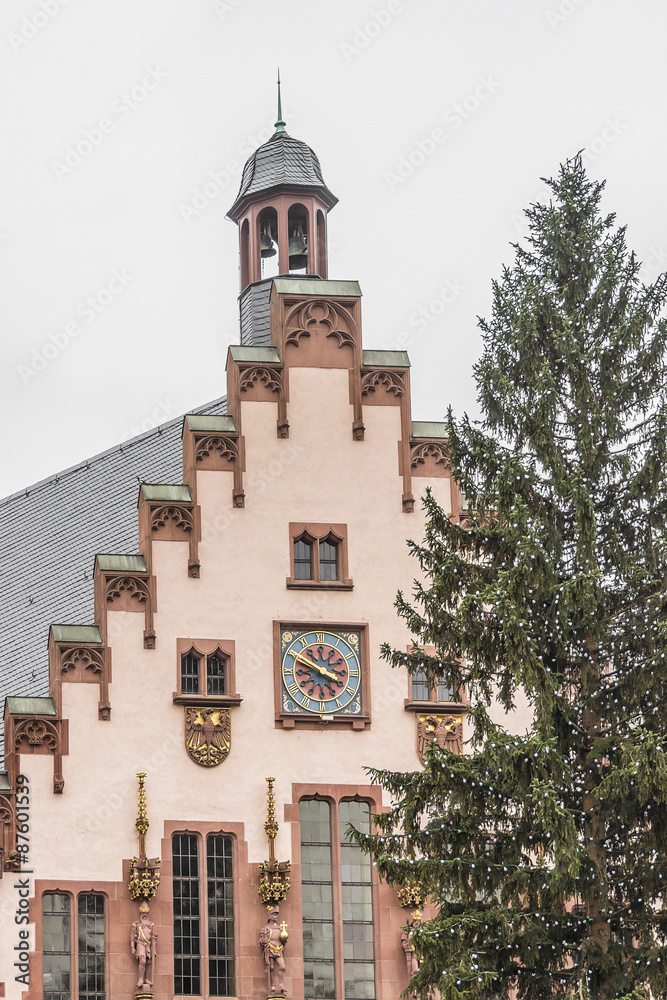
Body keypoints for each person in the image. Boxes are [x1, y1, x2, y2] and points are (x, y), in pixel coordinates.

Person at [259, 905, 287, 996]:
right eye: (274, 915)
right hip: (270, 949)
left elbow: (283, 941)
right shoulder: (265, 928)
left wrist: (284, 938)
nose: (276, 917)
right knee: (271, 967)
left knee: (282, 966)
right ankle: (272, 985)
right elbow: (262, 940)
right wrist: (264, 941)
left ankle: (281, 984)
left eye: (277, 915)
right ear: (269, 916)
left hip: (278, 950)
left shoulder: (280, 928)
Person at [130, 902, 157, 991]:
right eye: (143, 913)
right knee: (143, 961)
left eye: (146, 913)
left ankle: (147, 979)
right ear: (140, 914)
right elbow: (132, 936)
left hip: (149, 945)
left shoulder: (151, 924)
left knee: (149, 962)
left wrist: (154, 936)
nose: (144, 915)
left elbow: (155, 934)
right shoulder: (135, 924)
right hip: (140, 944)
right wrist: (132, 947)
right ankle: (141, 979)